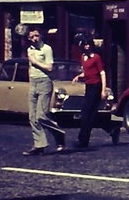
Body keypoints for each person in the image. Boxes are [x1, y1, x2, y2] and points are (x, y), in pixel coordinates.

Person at [71, 35, 120, 148]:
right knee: (91, 115)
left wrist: (103, 90)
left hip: (96, 87)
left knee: (86, 113)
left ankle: (82, 140)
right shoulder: (83, 57)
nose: (87, 46)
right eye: (85, 44)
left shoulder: (96, 57)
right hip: (88, 86)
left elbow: (102, 73)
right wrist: (79, 76)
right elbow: (88, 72)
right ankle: (112, 129)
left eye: (88, 44)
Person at [23, 27, 66, 155]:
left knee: (42, 115)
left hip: (44, 82)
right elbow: (30, 68)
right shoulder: (30, 49)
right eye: (31, 37)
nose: (34, 39)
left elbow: (50, 67)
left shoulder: (46, 49)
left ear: (40, 35)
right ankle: (39, 144)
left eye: (36, 36)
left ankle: (59, 135)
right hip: (34, 83)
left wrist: (35, 62)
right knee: (32, 117)